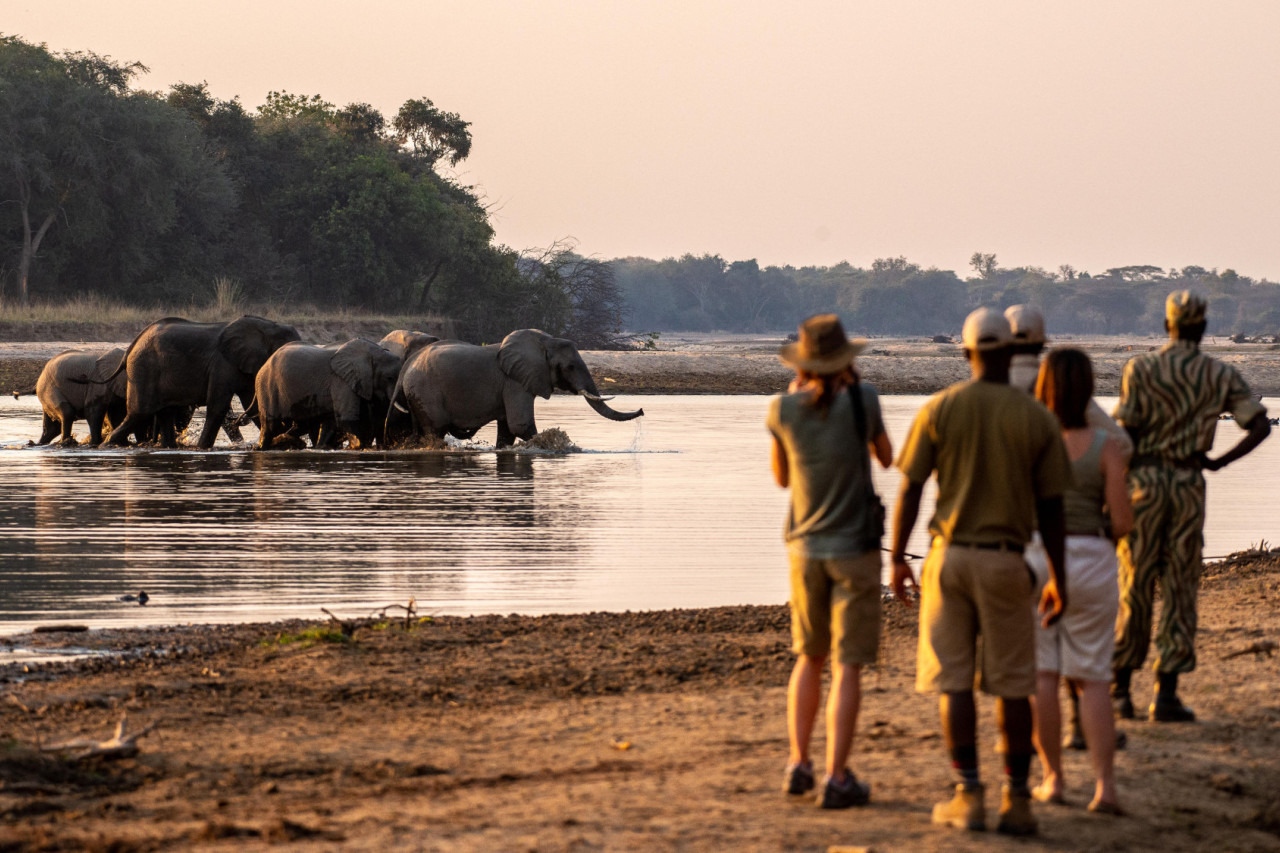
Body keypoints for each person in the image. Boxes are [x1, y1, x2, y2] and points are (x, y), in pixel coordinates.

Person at [890, 306, 1072, 836]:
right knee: (1014, 685)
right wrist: (1058, 575)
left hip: (949, 558)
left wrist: (899, 556)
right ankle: (1017, 800)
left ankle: (968, 793)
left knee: (954, 683)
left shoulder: (940, 409)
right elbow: (1053, 508)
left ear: (966, 352)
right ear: (1012, 352)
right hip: (1006, 560)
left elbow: (911, 487)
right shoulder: (1035, 417)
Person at [1111, 290, 1271, 722]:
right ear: (1202, 328)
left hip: (1142, 483)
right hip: (1186, 485)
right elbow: (1258, 425)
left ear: (1167, 325)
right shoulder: (1219, 374)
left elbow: (1121, 434)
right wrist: (1218, 462)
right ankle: (1166, 694)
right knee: (1181, 585)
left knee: (1134, 581)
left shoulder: (1140, 369)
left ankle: (1120, 688)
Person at [768, 314, 893, 809]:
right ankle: (837, 775)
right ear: (845, 362)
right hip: (856, 552)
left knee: (809, 658)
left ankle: (799, 762)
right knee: (848, 667)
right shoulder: (865, 400)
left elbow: (782, 479)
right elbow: (886, 458)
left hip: (804, 550)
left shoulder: (782, 409)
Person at [1005, 303, 1131, 751]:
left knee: (1038, 663)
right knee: (1088, 661)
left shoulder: (989, 384)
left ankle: (1042, 770)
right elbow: (1120, 443)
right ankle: (1086, 733)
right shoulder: (1059, 380)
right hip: (1086, 548)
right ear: (1042, 339)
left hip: (1020, 542)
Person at [1030, 349, 1133, 815]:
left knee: (1044, 676)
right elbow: (1124, 521)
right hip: (1092, 558)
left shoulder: (1032, 441)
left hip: (1039, 560)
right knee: (1092, 678)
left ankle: (1053, 780)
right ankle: (1105, 789)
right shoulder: (1106, 446)